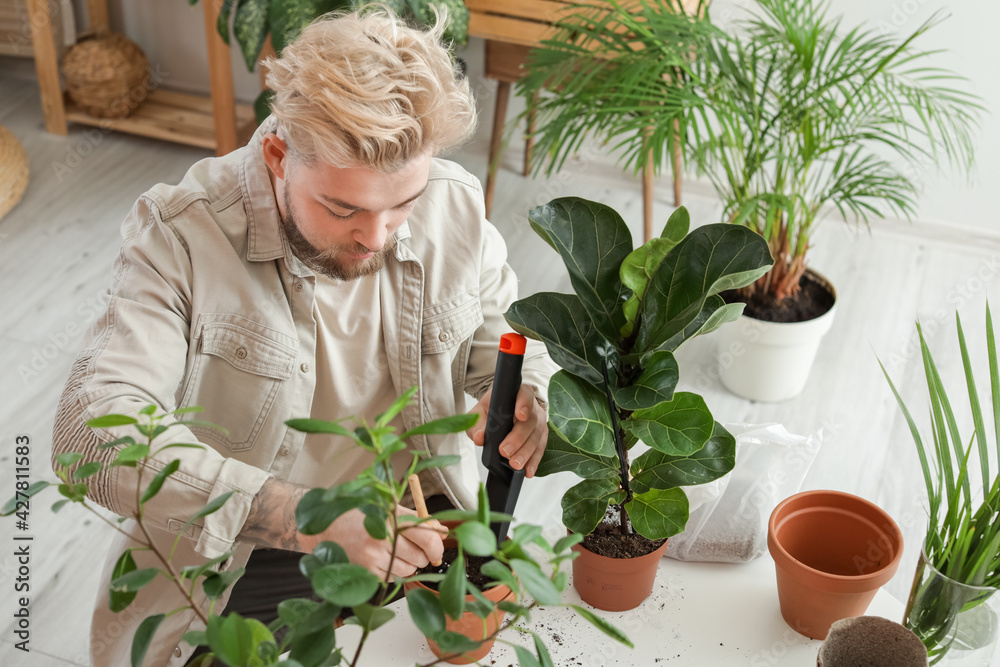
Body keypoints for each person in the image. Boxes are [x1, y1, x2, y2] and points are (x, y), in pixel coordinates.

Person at [51, 9, 556, 666]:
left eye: (400, 204)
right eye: (343, 208)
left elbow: (501, 342)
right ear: (278, 156)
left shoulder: (452, 202)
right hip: (247, 548)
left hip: (415, 522)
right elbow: (89, 432)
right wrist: (305, 516)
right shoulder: (180, 234)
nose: (376, 237)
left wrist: (521, 394)